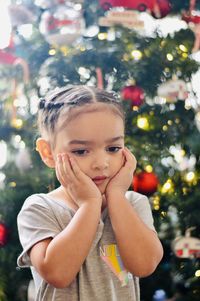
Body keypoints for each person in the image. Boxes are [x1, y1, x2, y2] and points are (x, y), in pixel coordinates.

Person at [17, 85, 163, 301]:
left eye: (113, 148)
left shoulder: (133, 203)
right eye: (81, 151)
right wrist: (89, 204)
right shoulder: (40, 208)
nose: (101, 164)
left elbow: (145, 265)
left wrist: (115, 197)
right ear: (48, 153)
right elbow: (57, 273)